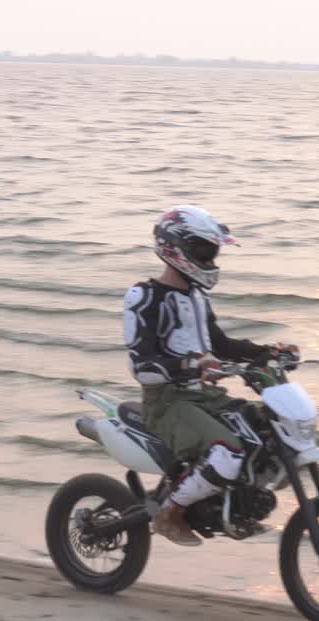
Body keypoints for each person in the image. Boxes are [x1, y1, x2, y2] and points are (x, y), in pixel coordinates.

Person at [123, 205, 298, 546]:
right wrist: (190, 366)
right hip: (167, 403)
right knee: (227, 450)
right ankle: (169, 514)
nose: (209, 259)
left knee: (267, 432)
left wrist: (267, 353)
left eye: (212, 253)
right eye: (203, 251)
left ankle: (237, 508)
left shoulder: (196, 297)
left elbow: (221, 345)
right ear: (176, 248)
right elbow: (142, 366)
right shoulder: (144, 298)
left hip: (203, 397)